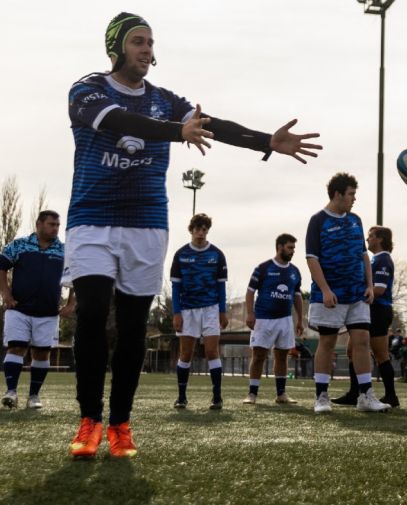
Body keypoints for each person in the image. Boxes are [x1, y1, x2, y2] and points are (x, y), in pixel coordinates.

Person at [65, 12, 321, 459]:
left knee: (131, 328)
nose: (145, 49)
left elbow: (213, 126)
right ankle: (89, 420)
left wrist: (265, 141)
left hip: (147, 224)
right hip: (92, 220)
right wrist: (175, 133)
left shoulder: (166, 100)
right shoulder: (87, 90)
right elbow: (118, 122)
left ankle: (120, 424)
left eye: (149, 42)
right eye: (137, 42)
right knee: (89, 314)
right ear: (117, 47)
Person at [305, 173, 388, 413]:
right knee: (328, 341)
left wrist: (370, 285)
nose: (354, 199)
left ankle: (365, 396)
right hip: (331, 295)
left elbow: (363, 255)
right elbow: (312, 258)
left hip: (357, 294)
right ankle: (321, 397)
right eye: (351, 194)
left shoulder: (356, 220)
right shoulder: (318, 220)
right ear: (338, 194)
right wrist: (325, 289)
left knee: (362, 341)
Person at [0, 211, 75, 410]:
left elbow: (76, 277)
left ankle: (34, 396)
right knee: (16, 348)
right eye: (51, 224)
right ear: (39, 224)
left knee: (41, 354)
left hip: (48, 313)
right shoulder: (19, 245)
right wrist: (6, 294)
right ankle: (11, 392)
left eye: (57, 225)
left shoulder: (65, 251)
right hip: (18, 310)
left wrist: (72, 304)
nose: (55, 228)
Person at [332, 226, 400, 408]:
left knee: (381, 354)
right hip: (367, 310)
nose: (367, 239)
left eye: (370, 236)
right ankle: (354, 393)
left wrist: (354, 293)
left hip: (378, 311)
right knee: (351, 351)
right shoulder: (374, 259)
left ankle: (391, 396)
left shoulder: (383, 259)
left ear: (379, 239)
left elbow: (379, 289)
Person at [170, 214, 228, 411]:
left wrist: (222, 311)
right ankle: (182, 397)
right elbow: (176, 287)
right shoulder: (180, 254)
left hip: (211, 308)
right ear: (191, 230)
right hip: (187, 310)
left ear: (207, 231)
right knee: (186, 353)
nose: (201, 232)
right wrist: (176, 312)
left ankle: (217, 397)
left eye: (204, 229)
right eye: (198, 228)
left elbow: (221, 287)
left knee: (212, 351)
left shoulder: (217, 254)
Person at [243, 233, 305, 405]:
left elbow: (297, 296)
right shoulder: (263, 268)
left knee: (282, 356)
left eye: (294, 248)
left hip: (285, 320)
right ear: (280, 247)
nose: (293, 251)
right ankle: (252, 394)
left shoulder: (295, 271)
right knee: (259, 356)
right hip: (263, 319)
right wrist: (250, 313)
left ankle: (281, 394)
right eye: (290, 247)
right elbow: (250, 292)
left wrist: (300, 320)